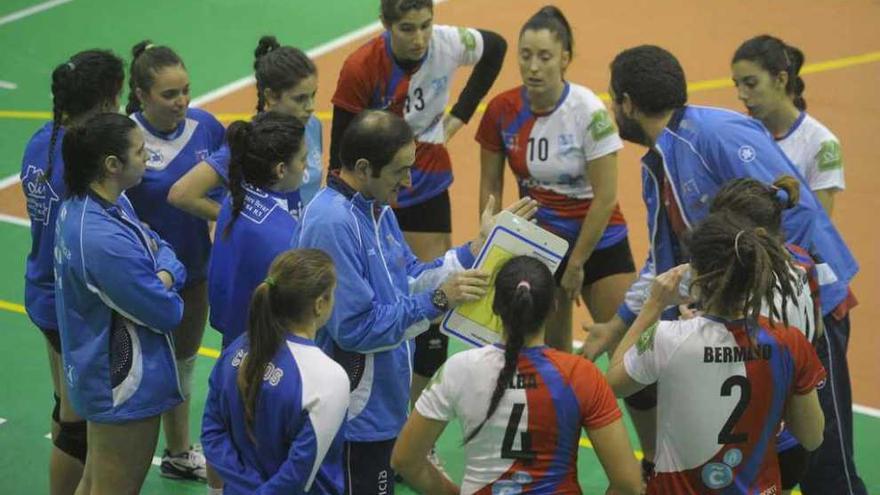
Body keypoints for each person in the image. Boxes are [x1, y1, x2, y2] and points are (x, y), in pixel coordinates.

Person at [581, 46, 858, 484]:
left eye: (614, 99)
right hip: (752, 319)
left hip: (806, 309)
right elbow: (663, 261)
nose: (614, 109)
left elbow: (793, 210)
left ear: (629, 104)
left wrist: (785, 298)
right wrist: (615, 325)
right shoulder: (658, 161)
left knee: (825, 462)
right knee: (770, 452)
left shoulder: (715, 133)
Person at [297, 110, 536, 494]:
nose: (408, 182)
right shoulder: (333, 223)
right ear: (363, 168)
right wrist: (438, 300)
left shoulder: (377, 210)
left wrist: (477, 247)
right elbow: (355, 328)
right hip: (353, 414)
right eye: (399, 171)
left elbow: (410, 279)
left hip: (382, 406)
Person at [329, 0, 507, 414]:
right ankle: (368, 405)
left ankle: (414, 427)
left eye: (426, 25)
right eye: (407, 29)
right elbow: (341, 154)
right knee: (382, 296)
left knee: (434, 299)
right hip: (374, 194)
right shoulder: (361, 67)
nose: (420, 38)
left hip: (425, 183)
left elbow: (495, 48)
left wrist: (460, 114)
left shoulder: (448, 43)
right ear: (385, 25)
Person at [605, 214, 826, 494]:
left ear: (697, 275)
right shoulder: (789, 342)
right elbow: (812, 437)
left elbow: (613, 384)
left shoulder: (668, 337)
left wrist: (653, 305)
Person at [391, 255, 642, 495]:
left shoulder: (459, 369)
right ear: (553, 307)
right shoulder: (581, 375)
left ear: (495, 306)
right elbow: (629, 484)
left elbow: (405, 459)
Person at [477, 6, 635, 353]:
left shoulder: (588, 111)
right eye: (526, 56)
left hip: (599, 241)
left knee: (628, 351)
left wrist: (576, 265)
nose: (533, 67)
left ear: (565, 58)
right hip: (540, 246)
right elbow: (490, 186)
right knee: (550, 357)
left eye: (545, 57)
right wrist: (488, 236)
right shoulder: (501, 111)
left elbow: (606, 198)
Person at [54, 112, 187, 494]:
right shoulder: (103, 241)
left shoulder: (95, 204)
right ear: (112, 165)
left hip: (101, 375)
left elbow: (155, 244)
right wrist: (167, 274)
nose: (147, 157)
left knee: (95, 480)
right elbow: (167, 310)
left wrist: (160, 271)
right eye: (140, 151)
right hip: (124, 385)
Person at [19, 49, 124, 495]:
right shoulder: (82, 164)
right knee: (77, 421)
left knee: (66, 402)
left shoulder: (41, 141)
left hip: (42, 289)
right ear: (103, 103)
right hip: (69, 303)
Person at [126, 40, 226, 481]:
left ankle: (179, 452)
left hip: (196, 271)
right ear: (142, 94)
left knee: (184, 360)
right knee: (137, 369)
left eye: (185, 90)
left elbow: (224, 183)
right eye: (169, 95)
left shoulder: (206, 127)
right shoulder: (124, 139)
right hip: (141, 281)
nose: (182, 102)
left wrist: (217, 219)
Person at [708, 175, 823, 494]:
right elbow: (818, 328)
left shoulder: (739, 289)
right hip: (794, 435)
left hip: (747, 443)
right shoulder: (803, 261)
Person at [202, 249, 349, 494]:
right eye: (333, 294)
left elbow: (212, 434)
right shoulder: (328, 378)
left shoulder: (236, 350)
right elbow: (298, 476)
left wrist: (248, 487)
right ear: (320, 305)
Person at [168, 36, 323, 219]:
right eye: (300, 99)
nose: (311, 106)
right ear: (271, 97)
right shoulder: (251, 142)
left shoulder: (312, 125)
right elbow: (182, 194)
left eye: (313, 95)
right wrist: (239, 221)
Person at [208, 112, 307, 348]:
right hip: (267, 348)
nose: (307, 166)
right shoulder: (284, 234)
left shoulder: (236, 198)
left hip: (234, 336)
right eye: (303, 159)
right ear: (281, 170)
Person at [732, 35, 844, 216]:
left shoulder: (822, 144)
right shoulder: (738, 134)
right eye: (737, 85)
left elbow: (819, 224)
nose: (741, 94)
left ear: (781, 80)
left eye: (751, 84)